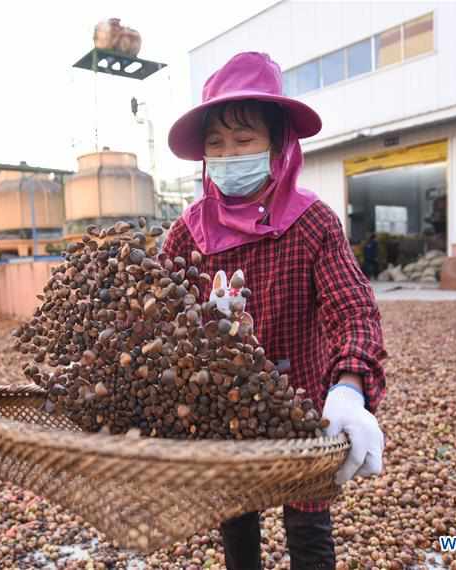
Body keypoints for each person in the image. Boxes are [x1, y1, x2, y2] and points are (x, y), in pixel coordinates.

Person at [162, 52, 387, 570]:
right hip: (221, 410)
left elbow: (353, 310)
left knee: (308, 529)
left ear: (278, 144)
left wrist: (350, 390)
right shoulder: (186, 233)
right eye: (216, 144)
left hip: (304, 406)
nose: (227, 155)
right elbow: (151, 316)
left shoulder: (313, 223)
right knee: (236, 519)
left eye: (243, 141)